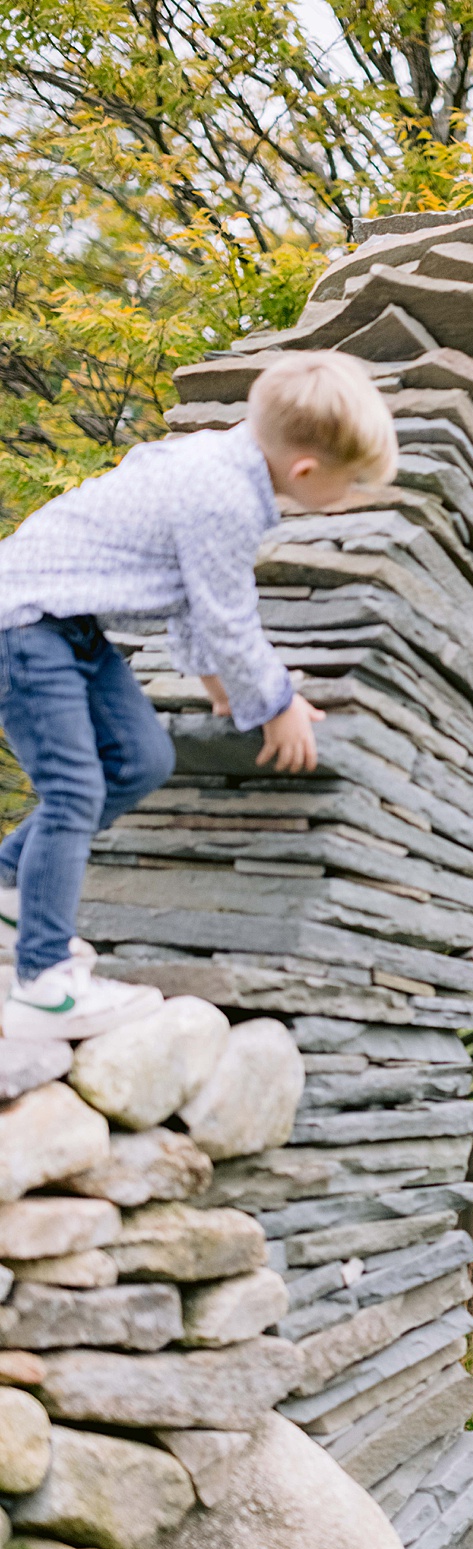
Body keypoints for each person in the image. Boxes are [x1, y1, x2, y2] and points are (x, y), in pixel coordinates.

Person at [0, 350, 397, 1041]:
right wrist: (274, 705)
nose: (355, 495)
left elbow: (189, 607)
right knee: (74, 790)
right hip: (25, 624)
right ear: (306, 472)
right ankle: (43, 982)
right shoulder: (223, 495)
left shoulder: (220, 462)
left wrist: (224, 693)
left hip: (69, 626)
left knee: (143, 761)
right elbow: (226, 619)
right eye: (352, 483)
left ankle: (9, 886)